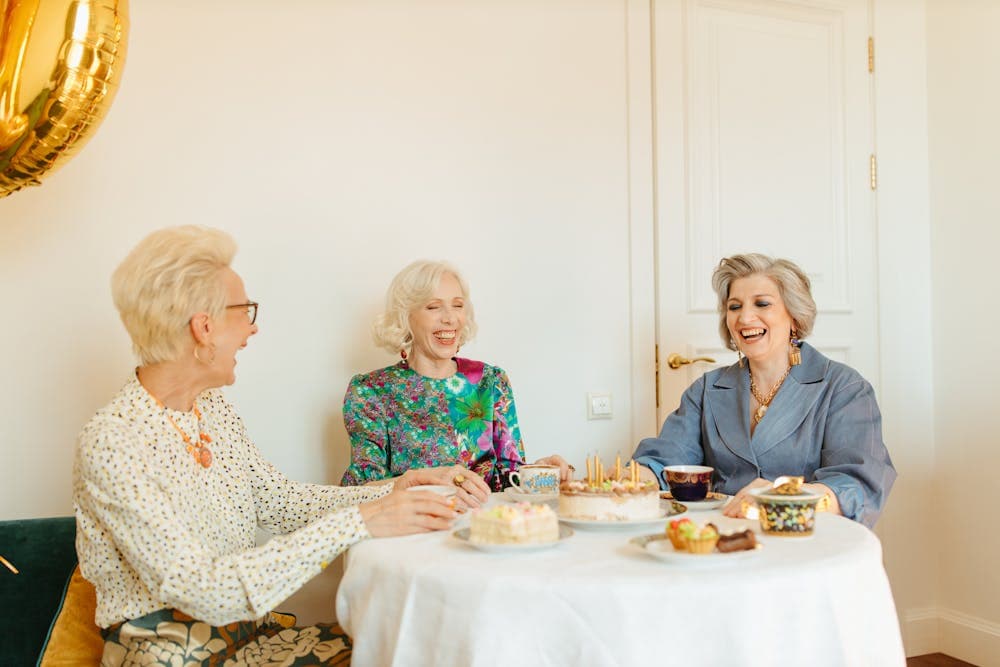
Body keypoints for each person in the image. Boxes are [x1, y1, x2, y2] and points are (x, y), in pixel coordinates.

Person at [73, 226, 489, 665]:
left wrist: (398, 487)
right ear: (204, 327)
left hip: (253, 641)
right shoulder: (113, 442)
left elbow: (280, 501)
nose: (252, 329)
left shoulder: (211, 409)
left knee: (418, 646)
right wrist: (361, 522)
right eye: (244, 311)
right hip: (183, 658)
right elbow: (206, 591)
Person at [632, 253, 896, 528]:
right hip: (722, 541)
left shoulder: (844, 388)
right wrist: (630, 481)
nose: (745, 317)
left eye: (762, 303)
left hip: (806, 543)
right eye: (734, 307)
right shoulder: (706, 390)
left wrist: (779, 499)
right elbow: (666, 461)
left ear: (794, 317)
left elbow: (857, 485)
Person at [340, 260, 570, 493]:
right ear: (405, 317)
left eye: (457, 306)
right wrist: (426, 479)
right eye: (433, 307)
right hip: (415, 526)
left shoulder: (490, 381)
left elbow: (509, 477)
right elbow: (361, 490)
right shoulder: (371, 391)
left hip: (484, 522)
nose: (450, 318)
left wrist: (542, 473)